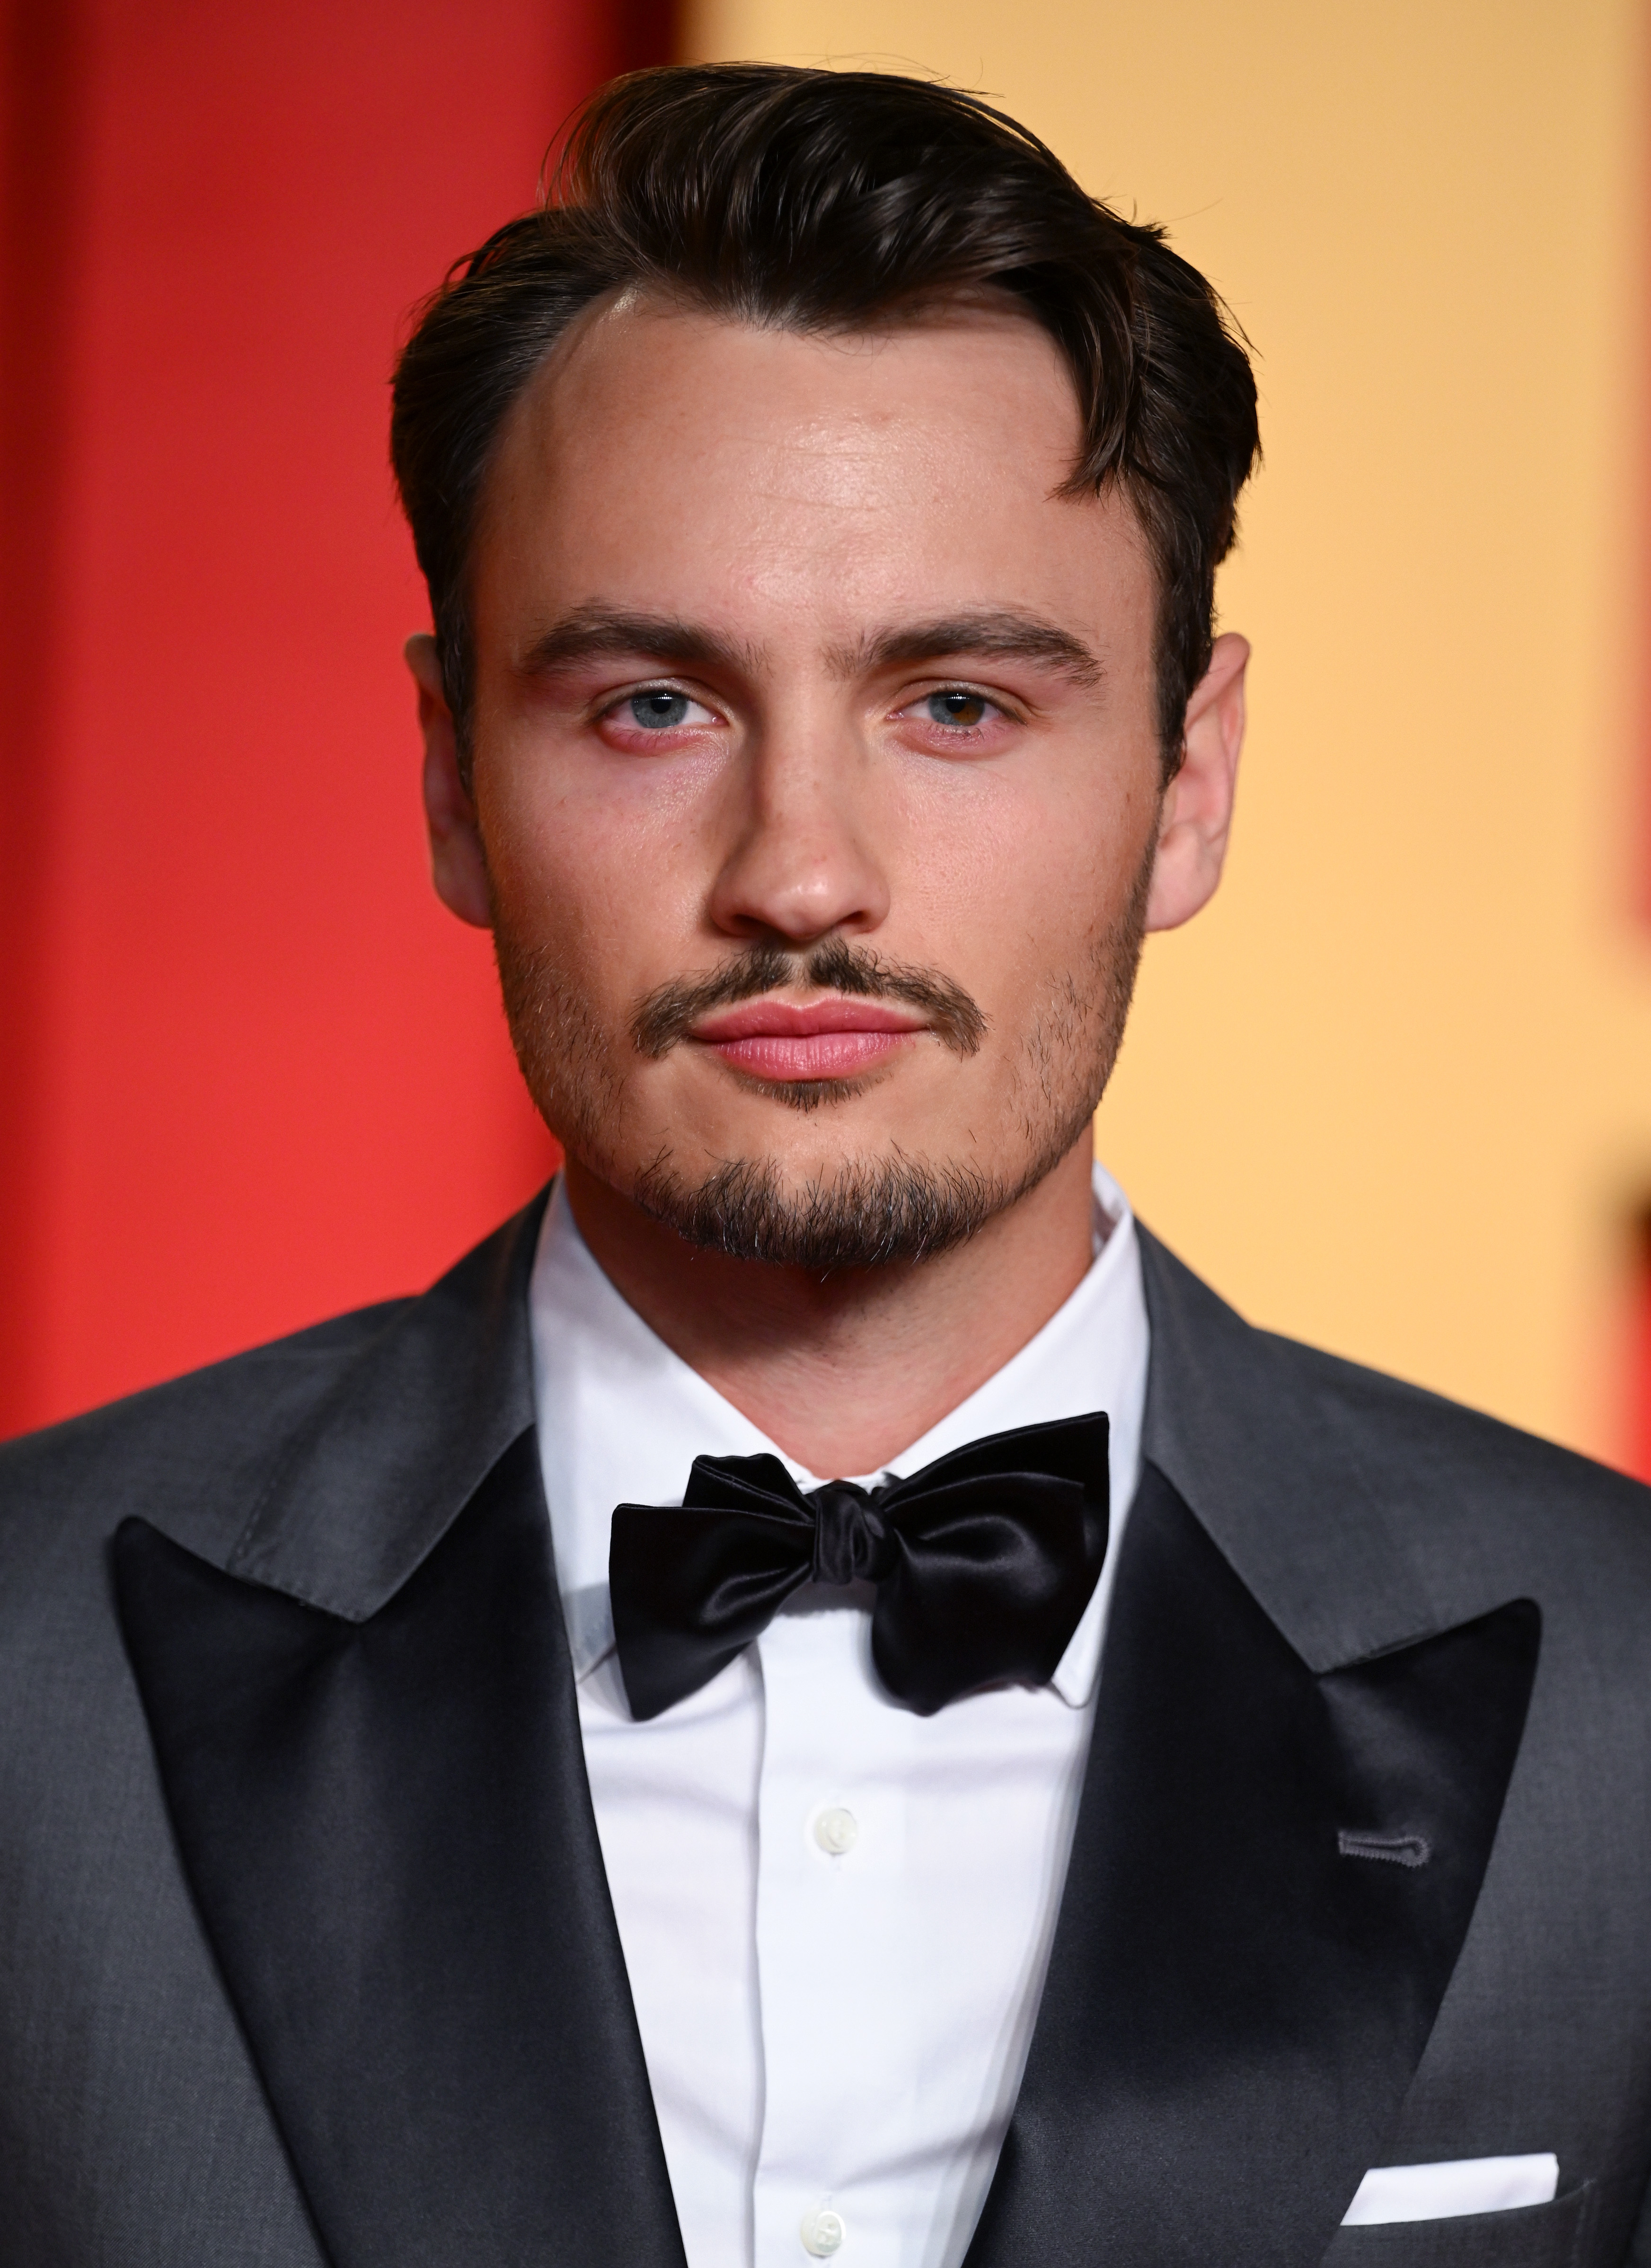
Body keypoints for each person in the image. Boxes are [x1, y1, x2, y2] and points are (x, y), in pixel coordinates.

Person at [3, 59, 1649, 2268]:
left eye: (959, 702)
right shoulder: (27, 1673)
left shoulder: (1631, 1696)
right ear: (451, 780)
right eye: (652, 705)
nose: (802, 872)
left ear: (1187, 776)